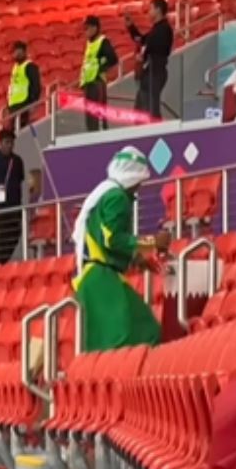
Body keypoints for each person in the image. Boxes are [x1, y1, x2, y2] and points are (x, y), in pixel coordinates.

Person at [69, 147, 166, 352]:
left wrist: (135, 259)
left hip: (93, 277)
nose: (140, 185)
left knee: (103, 347)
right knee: (144, 332)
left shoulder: (104, 193)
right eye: (140, 179)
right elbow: (112, 239)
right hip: (101, 279)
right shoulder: (117, 197)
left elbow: (104, 239)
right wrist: (153, 242)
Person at [125, 0, 173, 122]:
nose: (148, 12)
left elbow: (157, 48)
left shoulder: (164, 29)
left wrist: (144, 55)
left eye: (151, 8)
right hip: (149, 73)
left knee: (151, 109)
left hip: (155, 72)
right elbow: (141, 40)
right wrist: (131, 27)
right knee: (141, 109)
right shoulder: (155, 29)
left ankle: (155, 134)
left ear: (158, 10)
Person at [0, 127, 26, 265]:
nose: (10, 145)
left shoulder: (18, 161)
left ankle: (3, 261)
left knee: (14, 234)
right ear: (0, 143)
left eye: (12, 142)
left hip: (14, 205)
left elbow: (20, 182)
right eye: (7, 142)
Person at [78, 16, 119, 132]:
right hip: (89, 84)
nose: (85, 31)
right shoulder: (89, 43)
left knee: (99, 116)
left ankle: (100, 138)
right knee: (90, 118)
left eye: (87, 28)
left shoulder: (102, 41)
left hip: (97, 83)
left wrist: (100, 68)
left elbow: (113, 58)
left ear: (95, 28)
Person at [6, 40, 41, 130]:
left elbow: (36, 85)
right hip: (14, 105)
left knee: (21, 129)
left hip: (24, 103)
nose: (13, 55)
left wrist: (33, 103)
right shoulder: (15, 67)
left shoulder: (29, 66)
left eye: (14, 52)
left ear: (21, 51)